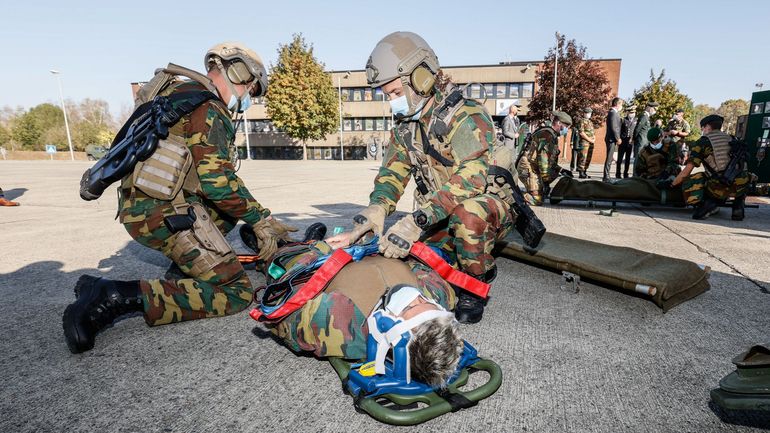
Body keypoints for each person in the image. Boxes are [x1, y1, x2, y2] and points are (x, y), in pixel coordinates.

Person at [62, 42, 297, 354]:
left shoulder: (179, 94)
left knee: (227, 214)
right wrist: (261, 219)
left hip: (143, 204)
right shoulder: (210, 108)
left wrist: (247, 214)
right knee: (236, 292)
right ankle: (112, 297)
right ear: (242, 74)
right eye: (252, 91)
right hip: (161, 213)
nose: (248, 99)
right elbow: (218, 184)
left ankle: (187, 272)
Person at [325, 32, 514, 325]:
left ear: (422, 78)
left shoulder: (467, 115)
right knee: (407, 258)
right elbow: (392, 173)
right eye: (387, 95)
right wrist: (375, 210)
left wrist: (416, 221)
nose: (392, 102)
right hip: (440, 212)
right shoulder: (405, 128)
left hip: (484, 211)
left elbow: (471, 178)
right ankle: (456, 254)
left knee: (468, 215)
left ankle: (477, 280)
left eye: (395, 92)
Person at [266, 234, 464, 388]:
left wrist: (320, 248)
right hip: (367, 246)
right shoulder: (439, 294)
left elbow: (281, 306)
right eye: (425, 300)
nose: (413, 295)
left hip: (318, 261)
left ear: (391, 335)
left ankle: (281, 242)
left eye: (409, 307)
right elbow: (420, 263)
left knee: (282, 257)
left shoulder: (338, 323)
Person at [665, 115, 750, 220]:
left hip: (720, 185)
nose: (702, 130)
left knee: (694, 177)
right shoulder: (733, 139)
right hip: (742, 185)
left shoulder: (703, 142)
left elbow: (686, 172)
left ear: (708, 127)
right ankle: (738, 205)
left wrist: (672, 184)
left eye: (703, 128)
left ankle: (708, 203)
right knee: (746, 176)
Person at [517, 110, 573, 205]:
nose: (567, 130)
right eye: (566, 126)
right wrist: (546, 180)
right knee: (536, 199)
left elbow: (549, 161)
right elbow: (543, 161)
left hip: (534, 167)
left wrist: (560, 170)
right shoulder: (547, 135)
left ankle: (535, 190)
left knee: (550, 179)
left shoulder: (551, 134)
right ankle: (511, 198)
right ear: (559, 123)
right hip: (528, 168)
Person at [632, 102, 658, 175]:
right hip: (641, 141)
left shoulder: (647, 117)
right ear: (649, 107)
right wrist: (634, 138)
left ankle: (638, 175)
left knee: (642, 159)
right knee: (638, 159)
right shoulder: (644, 116)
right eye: (654, 109)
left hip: (644, 141)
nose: (655, 111)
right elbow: (638, 128)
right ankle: (635, 175)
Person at [603, 97, 623, 182]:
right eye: (621, 104)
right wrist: (618, 138)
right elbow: (614, 127)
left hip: (612, 139)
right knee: (609, 158)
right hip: (611, 139)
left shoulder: (614, 113)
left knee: (611, 158)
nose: (621, 106)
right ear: (617, 104)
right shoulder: (613, 113)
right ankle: (606, 176)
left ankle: (607, 175)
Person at [616, 105, 637, 178]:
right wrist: (618, 138)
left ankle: (626, 173)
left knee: (627, 159)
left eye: (633, 112)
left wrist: (633, 139)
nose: (632, 114)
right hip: (623, 142)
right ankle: (618, 173)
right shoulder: (623, 120)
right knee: (620, 159)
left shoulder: (636, 120)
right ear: (628, 113)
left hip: (630, 143)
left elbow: (636, 131)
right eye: (631, 112)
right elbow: (619, 130)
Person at [574, 107, 595, 178]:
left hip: (591, 143)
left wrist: (594, 138)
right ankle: (581, 172)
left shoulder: (590, 122)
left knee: (588, 158)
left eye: (590, 113)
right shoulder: (581, 121)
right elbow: (581, 133)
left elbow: (592, 132)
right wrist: (590, 140)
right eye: (588, 113)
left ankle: (585, 171)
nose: (589, 114)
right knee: (583, 157)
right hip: (584, 142)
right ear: (584, 113)